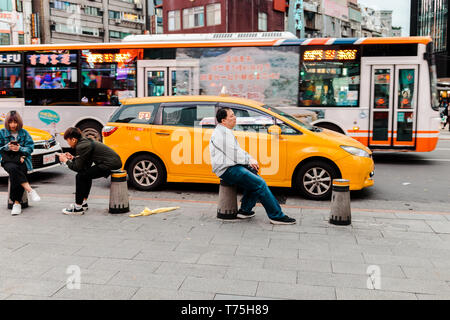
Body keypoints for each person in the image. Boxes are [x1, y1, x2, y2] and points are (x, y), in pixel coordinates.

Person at [209, 107, 296, 225]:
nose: (235, 118)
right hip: (227, 170)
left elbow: (238, 151)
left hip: (233, 166)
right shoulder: (221, 134)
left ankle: (245, 210)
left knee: (255, 178)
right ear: (223, 121)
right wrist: (248, 160)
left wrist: (250, 159)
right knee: (260, 184)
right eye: (231, 116)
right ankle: (276, 216)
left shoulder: (225, 131)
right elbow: (234, 154)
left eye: (234, 115)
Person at [57, 127, 122, 215]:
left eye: (68, 140)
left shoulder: (81, 146)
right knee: (85, 174)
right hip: (113, 163)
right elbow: (84, 164)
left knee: (80, 176)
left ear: (73, 139)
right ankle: (83, 203)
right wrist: (73, 158)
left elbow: (77, 168)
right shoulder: (84, 142)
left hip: (110, 164)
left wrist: (65, 160)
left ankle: (78, 208)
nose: (68, 143)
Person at [0, 110, 41, 215]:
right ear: (7, 123)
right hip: (8, 160)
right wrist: (7, 147)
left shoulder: (24, 133)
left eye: (15, 122)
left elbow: (30, 148)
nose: (13, 125)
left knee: (17, 172)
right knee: (13, 169)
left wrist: (20, 149)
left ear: (19, 122)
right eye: (10, 122)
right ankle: (30, 191)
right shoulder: (2, 132)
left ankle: (16, 204)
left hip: (21, 159)